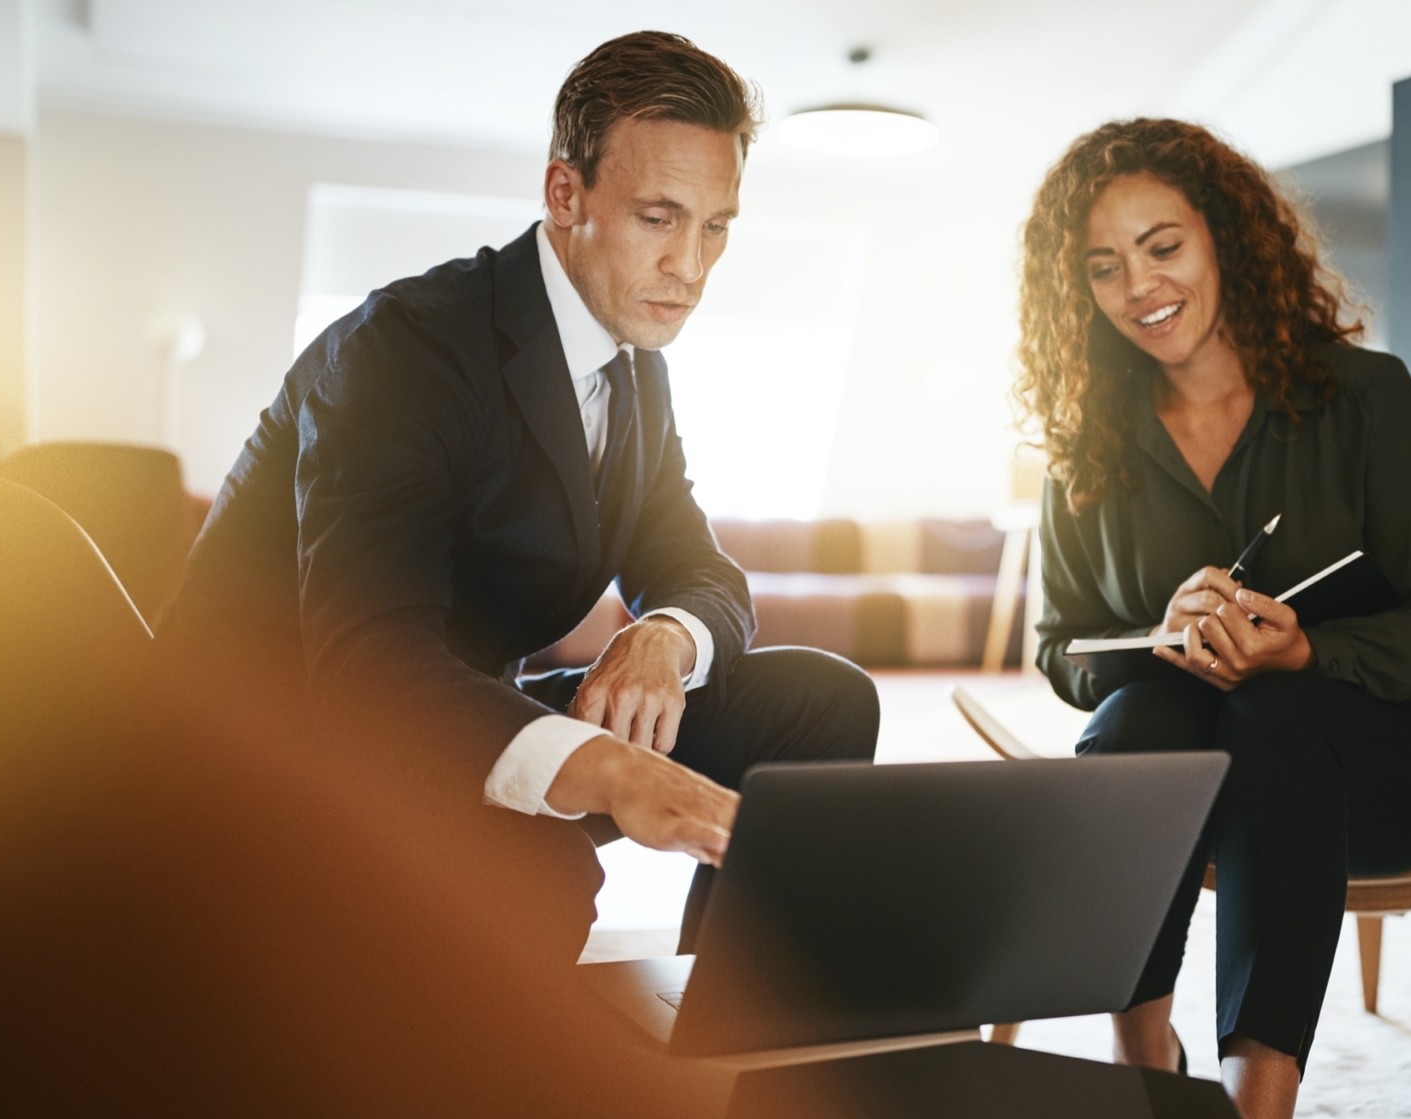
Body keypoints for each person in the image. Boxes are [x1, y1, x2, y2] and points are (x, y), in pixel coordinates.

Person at [158, 31, 879, 959]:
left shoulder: (634, 367)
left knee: (821, 702)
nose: (693, 269)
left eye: (717, 225)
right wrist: (612, 772)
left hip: (455, 708)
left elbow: (700, 568)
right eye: (660, 218)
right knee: (539, 874)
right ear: (565, 194)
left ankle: (734, 1017)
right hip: (291, 748)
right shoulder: (403, 349)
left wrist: (665, 636)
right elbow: (366, 669)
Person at [1013, 118, 1411, 1119]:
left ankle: (1255, 1100)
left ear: (1222, 239)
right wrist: (1148, 645)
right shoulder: (1085, 454)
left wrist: (1308, 648)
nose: (1139, 287)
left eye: (1163, 247)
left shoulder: (1367, 398)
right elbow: (1060, 649)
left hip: (1396, 759)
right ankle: (1143, 1050)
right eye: (1104, 267)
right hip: (1200, 776)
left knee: (1276, 713)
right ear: (1079, 291)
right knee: (1132, 723)